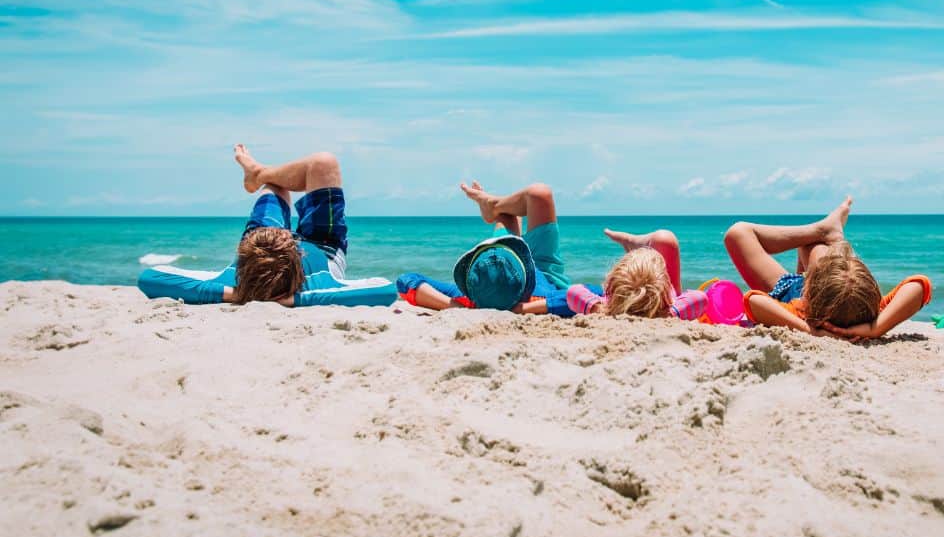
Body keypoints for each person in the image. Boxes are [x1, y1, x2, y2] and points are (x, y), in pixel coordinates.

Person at [138, 146, 397, 307]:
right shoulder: (319, 283)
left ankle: (258, 173)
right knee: (324, 162)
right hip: (323, 245)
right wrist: (299, 299)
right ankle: (259, 173)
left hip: (261, 241)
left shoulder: (232, 277)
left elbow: (150, 278)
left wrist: (235, 294)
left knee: (274, 187)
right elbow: (385, 290)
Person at [723, 196, 931, 339]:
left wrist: (809, 330)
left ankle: (822, 230)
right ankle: (830, 233)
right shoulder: (871, 314)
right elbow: (919, 285)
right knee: (819, 252)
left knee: (739, 234)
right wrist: (875, 329)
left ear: (809, 288)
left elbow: (752, 300)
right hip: (834, 294)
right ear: (871, 293)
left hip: (788, 292)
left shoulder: (801, 314)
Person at [397, 181, 587, 314]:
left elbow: (407, 281)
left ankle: (494, 206)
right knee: (538, 194)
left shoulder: (469, 297)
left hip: (511, 269)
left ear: (470, 283)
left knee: (513, 213)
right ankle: (493, 205)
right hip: (544, 272)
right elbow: (593, 295)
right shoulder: (540, 297)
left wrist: (455, 307)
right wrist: (524, 309)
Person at [563, 228, 708, 320]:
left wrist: (597, 308)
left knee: (665, 240)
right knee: (666, 240)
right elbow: (701, 298)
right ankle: (637, 245)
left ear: (610, 286)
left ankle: (635, 246)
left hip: (636, 302)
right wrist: (669, 312)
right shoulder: (670, 308)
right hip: (660, 304)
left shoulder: (606, 307)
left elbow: (573, 291)